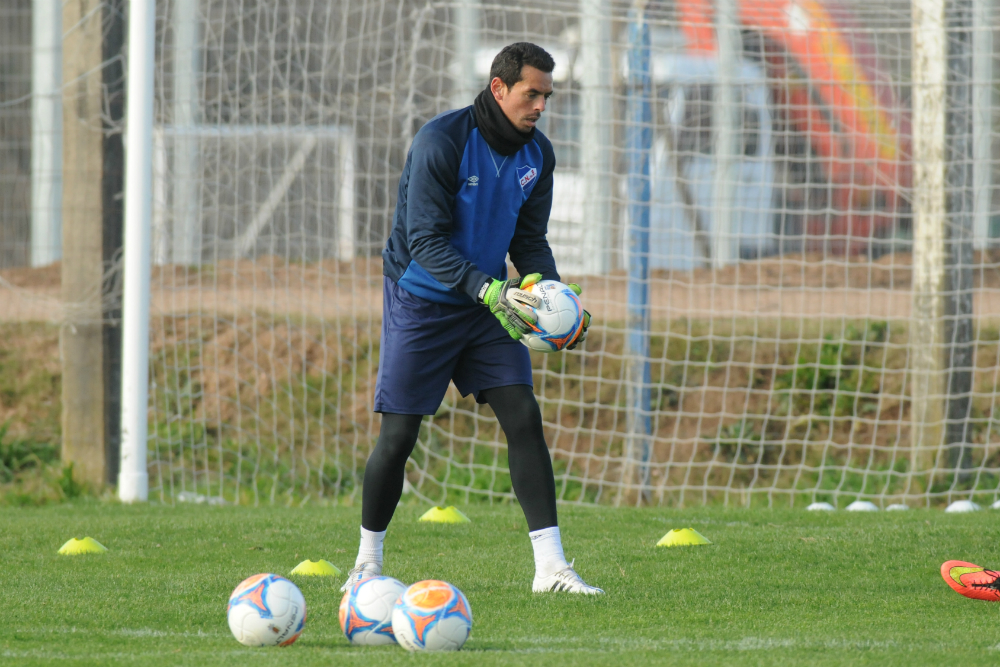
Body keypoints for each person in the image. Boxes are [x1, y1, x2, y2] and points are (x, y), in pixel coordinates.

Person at [342, 42, 601, 595]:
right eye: (532, 94)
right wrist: (490, 290)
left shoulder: (540, 156)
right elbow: (424, 243)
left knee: (523, 415)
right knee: (400, 435)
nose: (540, 106)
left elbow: (529, 241)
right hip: (423, 298)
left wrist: (548, 297)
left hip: (490, 304)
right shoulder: (442, 141)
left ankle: (552, 569)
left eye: (547, 96)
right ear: (499, 88)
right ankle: (366, 563)